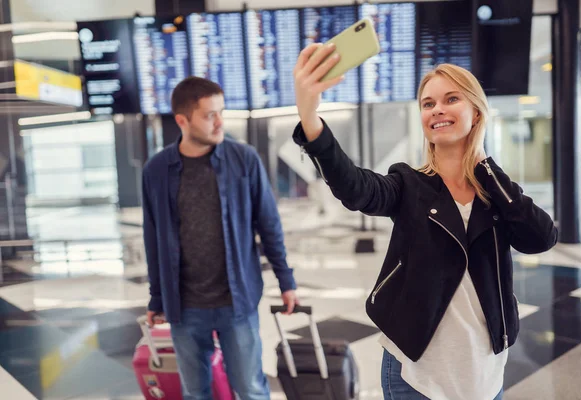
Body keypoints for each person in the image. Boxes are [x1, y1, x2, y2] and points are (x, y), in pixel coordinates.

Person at [292, 43, 557, 400]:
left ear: (476, 113)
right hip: (414, 373)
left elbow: (541, 238)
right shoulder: (407, 184)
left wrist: (487, 171)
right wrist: (311, 121)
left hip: (484, 370)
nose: (437, 110)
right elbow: (356, 188)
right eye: (428, 103)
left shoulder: (496, 191)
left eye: (451, 99)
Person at [142, 77, 299, 400]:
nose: (219, 122)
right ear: (182, 121)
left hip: (236, 301)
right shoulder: (156, 171)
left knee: (251, 388)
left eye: (221, 112)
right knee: (195, 392)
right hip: (184, 307)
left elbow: (269, 224)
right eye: (209, 115)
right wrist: (157, 298)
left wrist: (286, 281)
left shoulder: (243, 160)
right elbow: (153, 238)